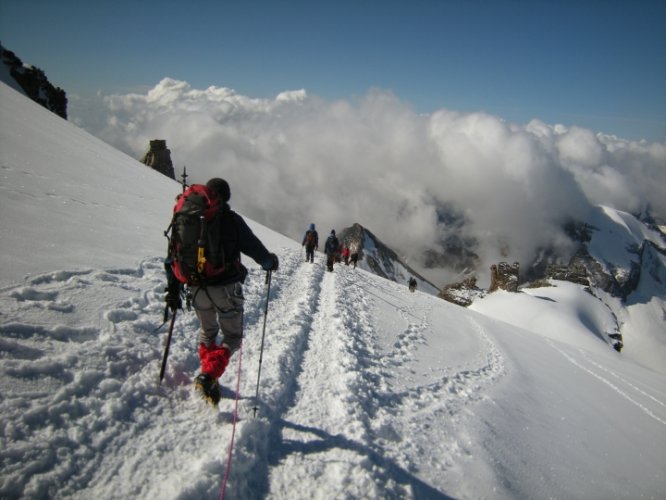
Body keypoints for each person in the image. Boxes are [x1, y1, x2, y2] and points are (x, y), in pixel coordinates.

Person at [165, 177, 279, 405]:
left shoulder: (186, 219)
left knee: (208, 333)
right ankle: (209, 375)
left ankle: (209, 373)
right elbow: (256, 250)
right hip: (225, 288)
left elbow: (172, 258)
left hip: (196, 288)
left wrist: (172, 290)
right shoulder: (231, 220)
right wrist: (270, 262)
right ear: (225, 198)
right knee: (232, 337)